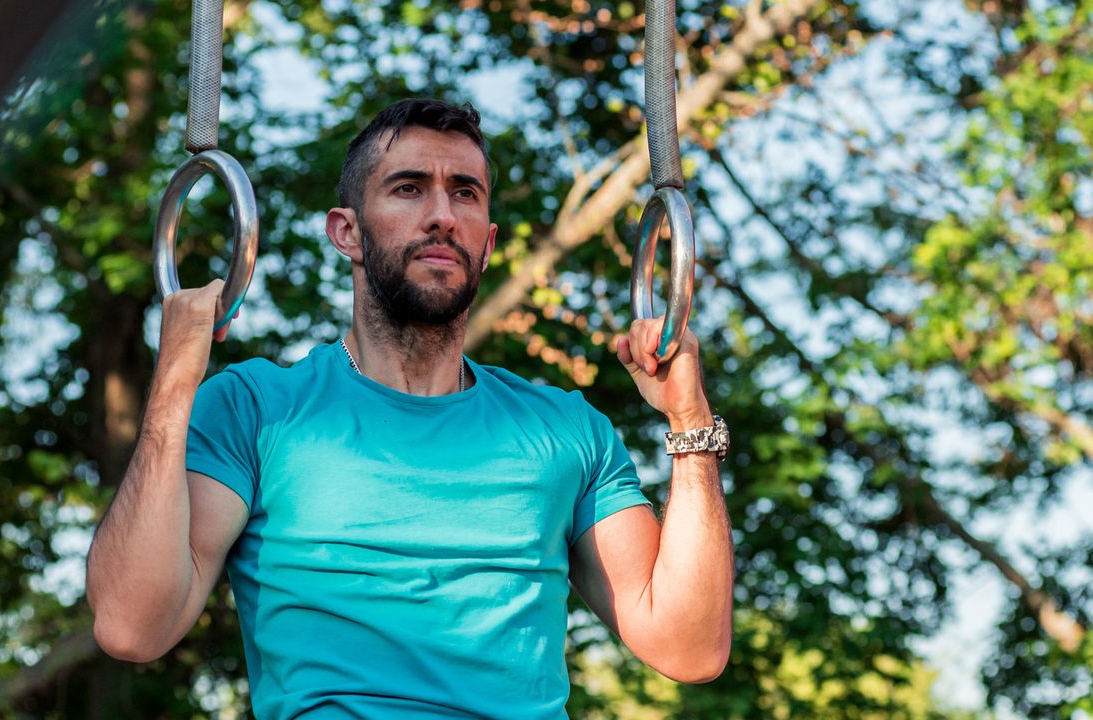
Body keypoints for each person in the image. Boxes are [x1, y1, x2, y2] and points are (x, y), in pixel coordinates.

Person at [86, 98, 733, 719]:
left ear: (488, 240)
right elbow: (131, 627)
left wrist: (689, 420)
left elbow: (690, 647)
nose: (442, 215)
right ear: (347, 232)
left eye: (465, 193)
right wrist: (175, 380)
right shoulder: (259, 411)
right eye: (408, 188)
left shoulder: (566, 431)